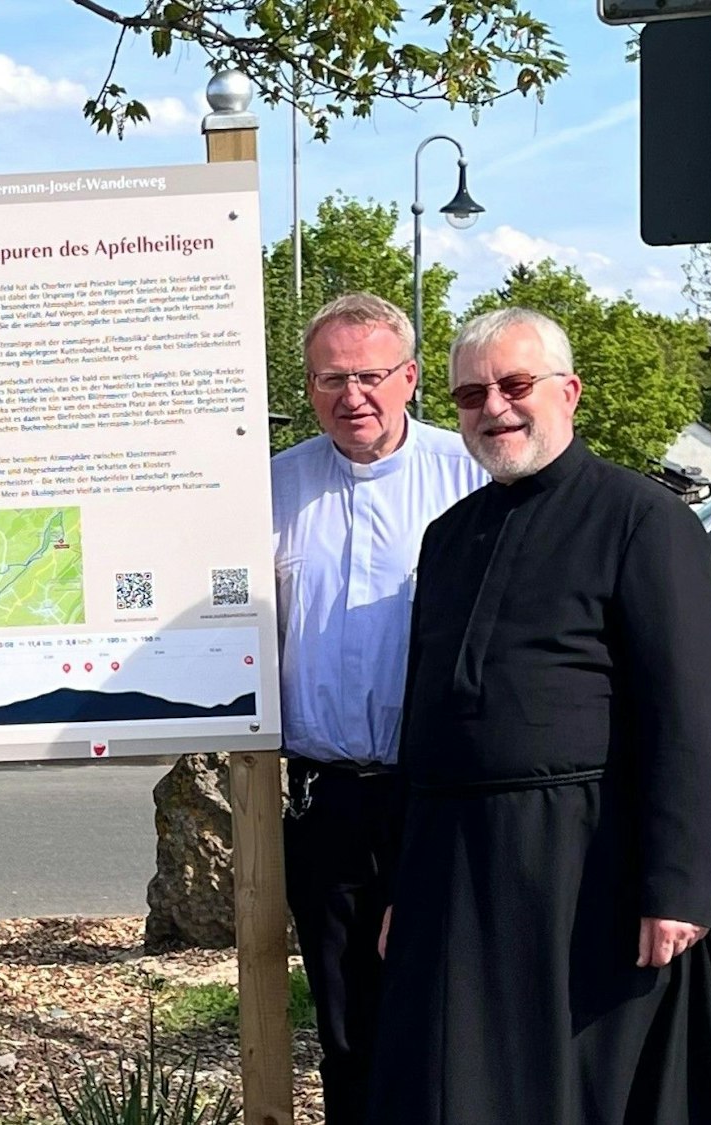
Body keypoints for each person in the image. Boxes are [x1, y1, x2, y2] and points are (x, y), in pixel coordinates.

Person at [367, 307, 711, 1123]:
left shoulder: (644, 521)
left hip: (589, 866)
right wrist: (407, 879)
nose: (494, 408)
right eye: (471, 394)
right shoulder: (448, 536)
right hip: (454, 866)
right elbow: (427, 723)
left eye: (515, 385)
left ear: (569, 391)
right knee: (453, 1084)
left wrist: (680, 885)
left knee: (583, 1091)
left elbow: (687, 716)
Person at [269, 292, 486, 1123]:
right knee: (345, 1018)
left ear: (411, 378)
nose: (352, 395)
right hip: (325, 796)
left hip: (438, 795)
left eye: (370, 375)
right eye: (331, 377)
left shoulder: (467, 477)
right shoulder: (275, 487)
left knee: (444, 1010)